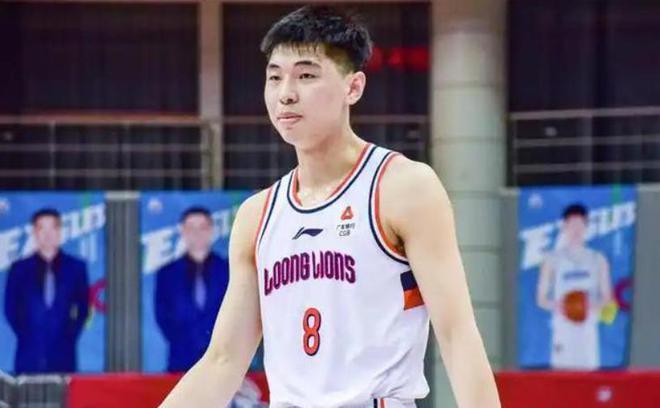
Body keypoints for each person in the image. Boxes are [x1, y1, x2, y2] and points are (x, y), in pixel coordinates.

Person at [161, 6, 500, 407]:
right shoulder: (257, 215)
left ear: (353, 88)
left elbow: (457, 334)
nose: (286, 93)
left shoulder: (403, 187)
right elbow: (222, 361)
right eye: (274, 77)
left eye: (306, 75)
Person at [4, 208, 89, 374]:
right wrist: (27, 334)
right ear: (34, 233)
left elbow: (83, 308)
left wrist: (69, 336)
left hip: (64, 357)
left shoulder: (76, 268)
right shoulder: (18, 269)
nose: (48, 234)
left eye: (53, 228)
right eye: (42, 228)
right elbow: (10, 309)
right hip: (28, 356)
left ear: (60, 232)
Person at [537, 203, 613, 370]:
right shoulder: (552, 260)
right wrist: (562, 306)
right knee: (562, 377)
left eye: (580, 225)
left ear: (587, 226)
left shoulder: (598, 259)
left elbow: (607, 297)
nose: (576, 230)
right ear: (564, 227)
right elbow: (541, 299)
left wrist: (587, 306)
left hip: (588, 329)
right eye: (572, 225)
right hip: (562, 329)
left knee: (588, 378)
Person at [155, 206, 230, 372]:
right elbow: (163, 316)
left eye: (202, 227)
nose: (197, 233)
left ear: (211, 230)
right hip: (181, 361)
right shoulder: (167, 274)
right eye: (191, 228)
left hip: (223, 361)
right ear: (182, 231)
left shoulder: (229, 270)